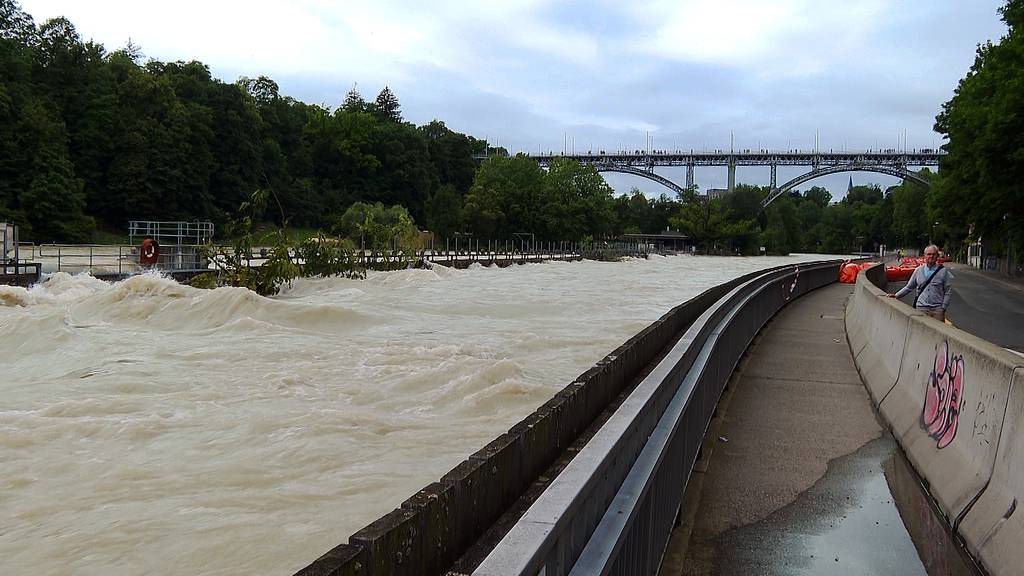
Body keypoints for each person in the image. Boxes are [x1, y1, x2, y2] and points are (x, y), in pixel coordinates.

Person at [886, 245, 952, 321]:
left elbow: (948, 291)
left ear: (937, 256)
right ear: (924, 256)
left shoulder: (943, 271)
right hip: (921, 308)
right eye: (929, 254)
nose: (931, 256)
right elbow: (909, 287)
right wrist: (896, 295)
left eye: (933, 254)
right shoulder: (918, 271)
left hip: (937, 310)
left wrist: (943, 308)